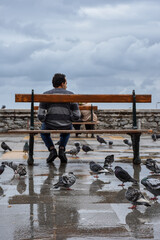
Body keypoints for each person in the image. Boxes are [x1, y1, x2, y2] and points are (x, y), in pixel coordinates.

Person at [38, 73, 81, 164]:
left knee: (43, 132)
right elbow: (77, 116)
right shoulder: (71, 95)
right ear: (62, 83)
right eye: (66, 83)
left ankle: (52, 150)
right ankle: (61, 150)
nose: (66, 85)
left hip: (50, 123)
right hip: (65, 124)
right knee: (67, 129)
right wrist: (69, 119)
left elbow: (40, 116)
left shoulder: (46, 95)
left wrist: (48, 119)